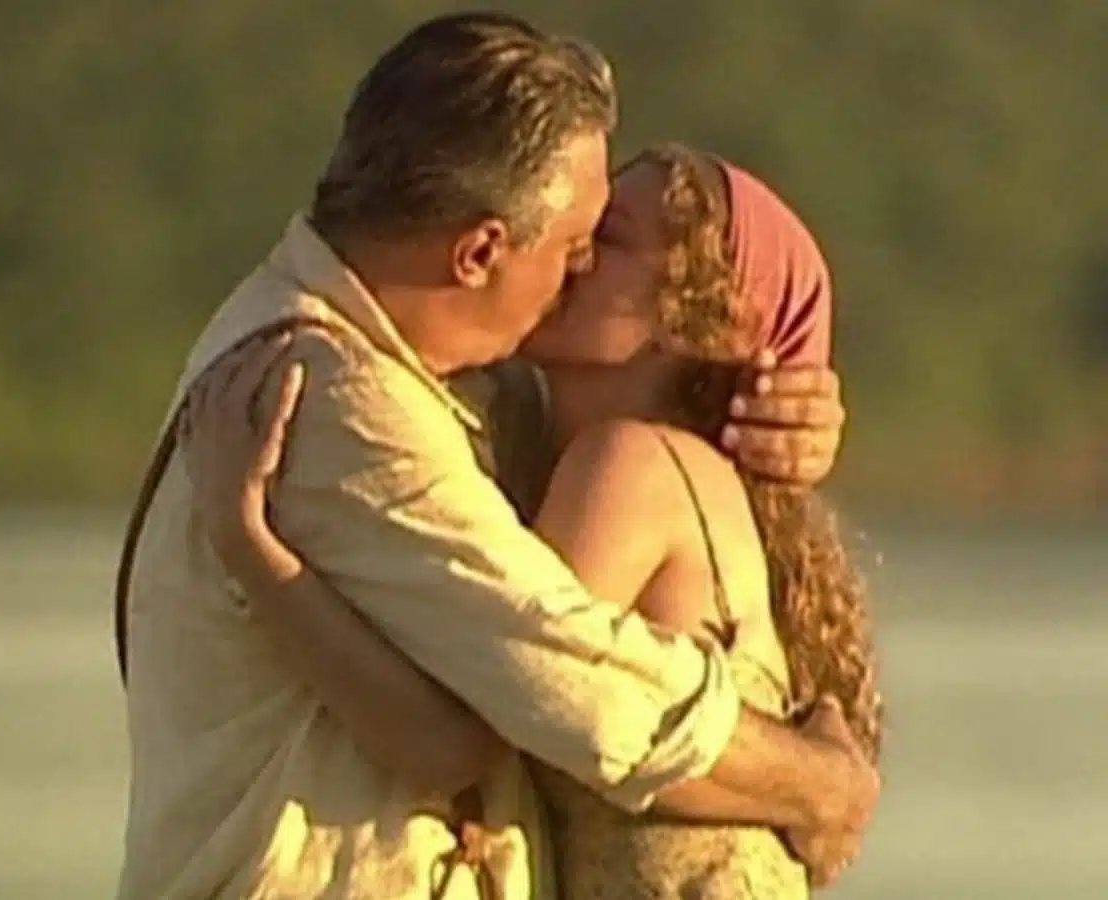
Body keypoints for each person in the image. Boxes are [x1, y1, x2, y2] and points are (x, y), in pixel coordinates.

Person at [113, 13, 869, 900]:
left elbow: (480, 715)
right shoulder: (329, 397)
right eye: (575, 243)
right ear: (478, 251)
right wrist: (816, 783)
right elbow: (558, 674)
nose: (578, 267)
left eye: (602, 243)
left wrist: (783, 403)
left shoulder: (451, 394)